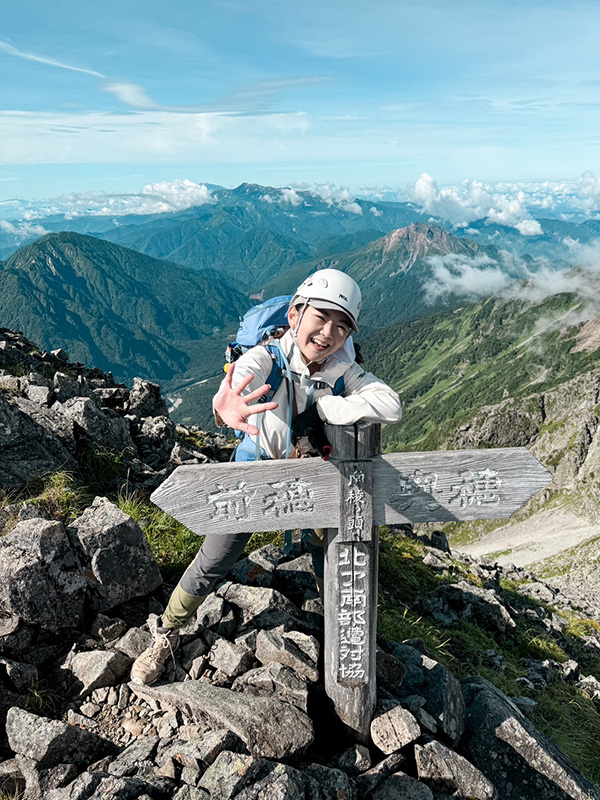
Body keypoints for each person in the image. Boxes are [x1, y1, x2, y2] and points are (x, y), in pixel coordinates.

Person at [131, 269, 402, 685]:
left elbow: (390, 404)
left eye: (342, 325)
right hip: (254, 478)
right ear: (295, 314)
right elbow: (240, 378)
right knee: (215, 558)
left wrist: (329, 409)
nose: (329, 332)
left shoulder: (342, 373)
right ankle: (167, 633)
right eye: (321, 317)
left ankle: (344, 632)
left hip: (313, 481)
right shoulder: (268, 357)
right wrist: (227, 401)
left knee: (331, 555)